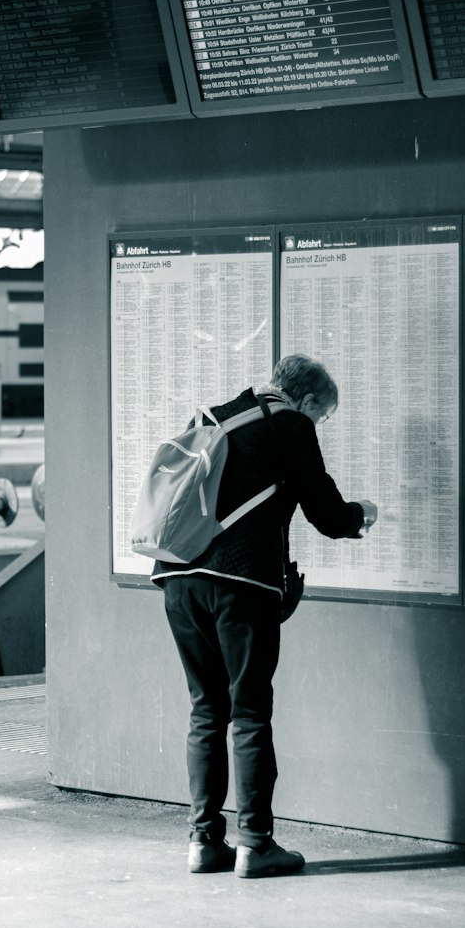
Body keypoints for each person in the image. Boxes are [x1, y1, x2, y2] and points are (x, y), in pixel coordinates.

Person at [153, 354, 378, 878]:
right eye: (323, 416)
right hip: (240, 585)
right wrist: (360, 517)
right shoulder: (291, 424)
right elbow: (325, 512)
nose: (318, 425)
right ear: (305, 401)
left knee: (206, 710)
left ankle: (204, 842)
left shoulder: (216, 415)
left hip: (177, 578)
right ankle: (256, 844)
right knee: (250, 712)